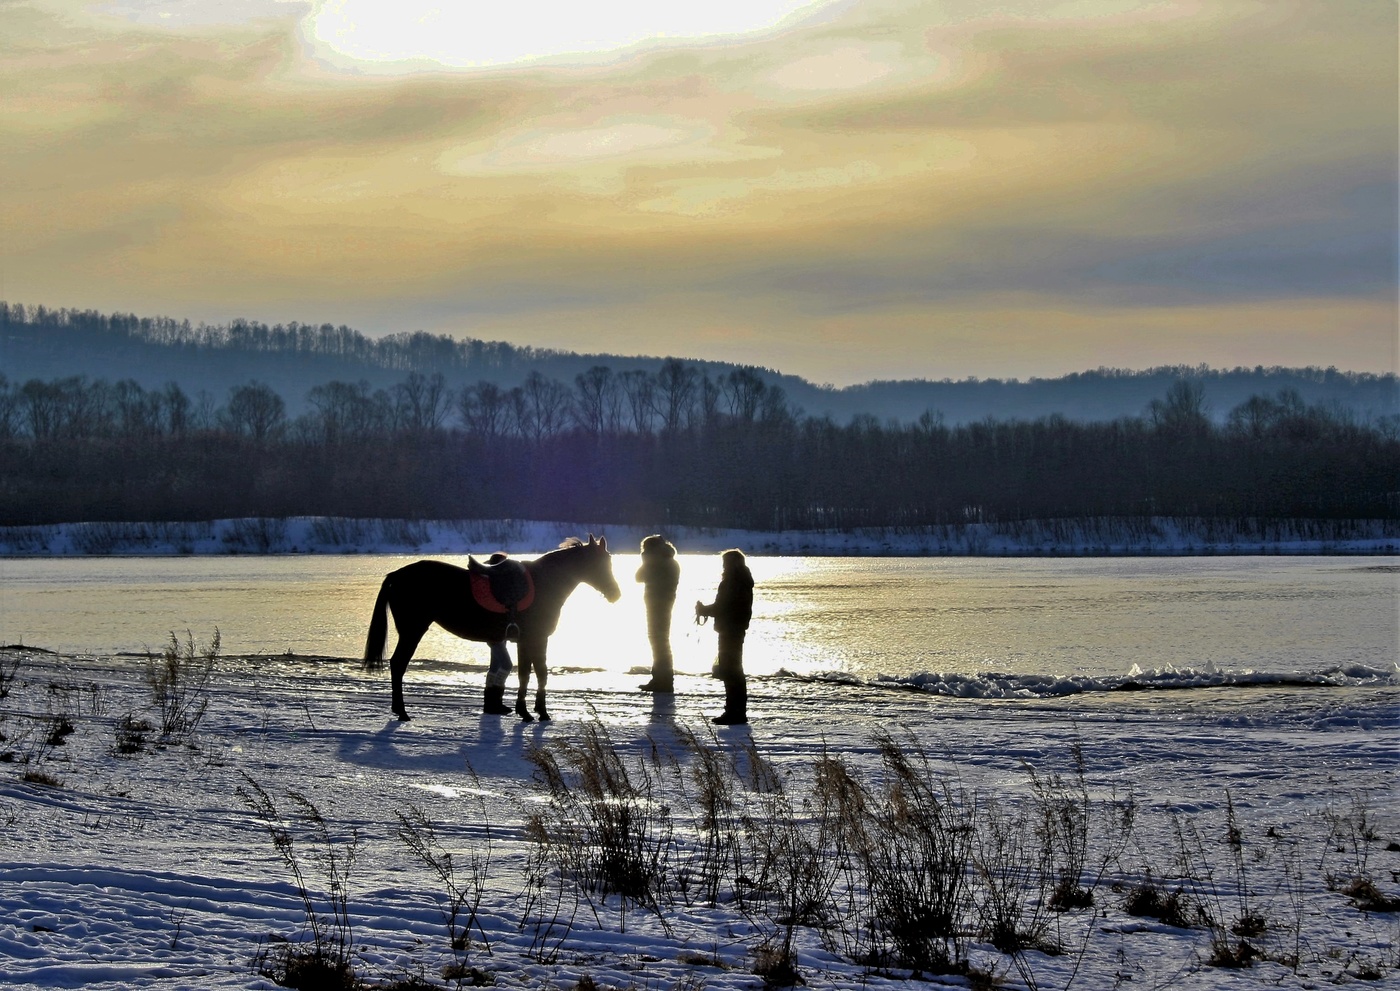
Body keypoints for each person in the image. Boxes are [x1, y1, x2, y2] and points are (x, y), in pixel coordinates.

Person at [695, 548, 753, 725]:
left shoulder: (732, 582)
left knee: (730, 671)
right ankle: (736, 711)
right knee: (733, 670)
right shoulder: (742, 581)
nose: (724, 566)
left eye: (725, 563)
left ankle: (734, 712)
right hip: (735, 628)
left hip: (730, 629)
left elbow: (722, 607)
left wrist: (703, 609)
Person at [636, 534, 680, 693]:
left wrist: (646, 561)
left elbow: (638, 577)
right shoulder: (669, 561)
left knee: (659, 642)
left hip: (658, 604)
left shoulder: (659, 563)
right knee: (660, 642)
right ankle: (660, 679)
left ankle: (664, 680)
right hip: (661, 603)